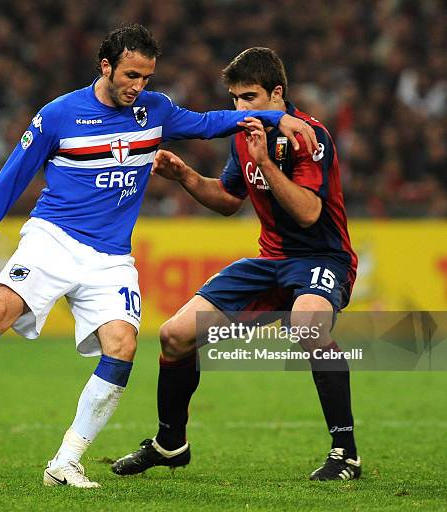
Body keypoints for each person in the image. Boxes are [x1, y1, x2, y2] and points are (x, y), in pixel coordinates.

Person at [0, 27, 318, 488]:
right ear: (106, 67)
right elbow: (7, 184)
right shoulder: (58, 115)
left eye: (147, 78)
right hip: (53, 239)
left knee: (123, 346)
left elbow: (209, 122)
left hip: (110, 258)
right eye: (131, 75)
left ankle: (66, 461)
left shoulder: (155, 111)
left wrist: (276, 120)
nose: (139, 86)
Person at [112, 47, 361, 481]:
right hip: (269, 262)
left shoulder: (309, 136)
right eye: (234, 99)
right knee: (174, 335)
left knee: (307, 325)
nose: (240, 108)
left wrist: (266, 162)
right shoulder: (242, 138)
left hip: (323, 258)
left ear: (277, 93)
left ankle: (346, 452)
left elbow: (308, 213)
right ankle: (171, 443)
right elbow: (229, 200)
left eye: (249, 97)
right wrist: (186, 177)